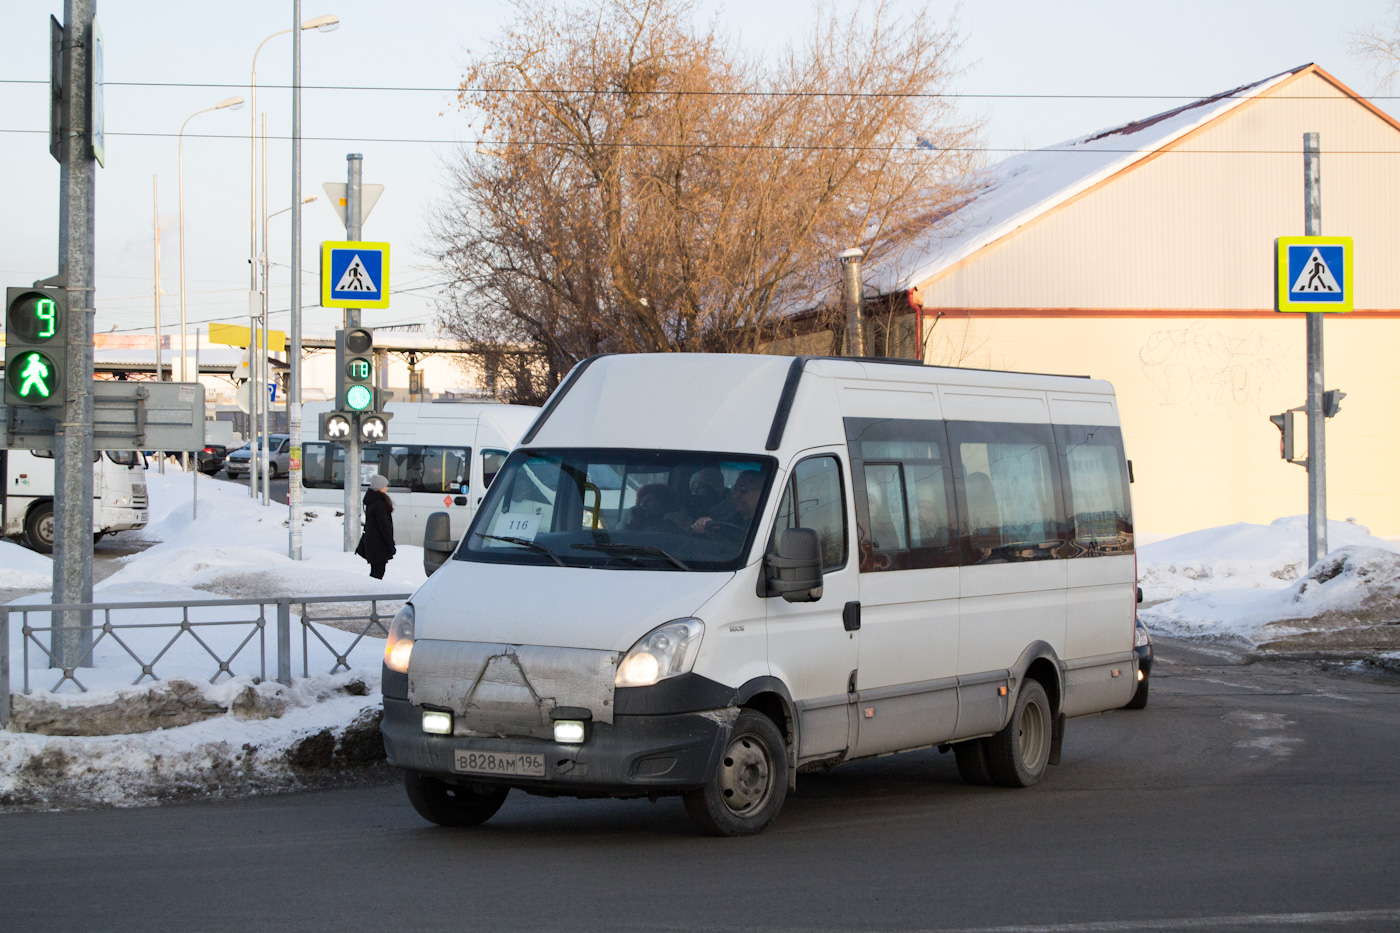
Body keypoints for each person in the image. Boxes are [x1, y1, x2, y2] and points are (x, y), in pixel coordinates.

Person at [691, 470, 764, 535]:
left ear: (761, 493)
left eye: (743, 489)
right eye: (734, 489)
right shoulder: (730, 517)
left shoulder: (767, 526)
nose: (735, 495)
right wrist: (703, 524)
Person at [356, 474, 397, 579]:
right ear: (379, 487)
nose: (386, 488)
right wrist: (390, 544)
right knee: (378, 572)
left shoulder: (372, 501)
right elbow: (384, 527)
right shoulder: (379, 504)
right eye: (385, 486)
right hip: (378, 544)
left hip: (373, 543)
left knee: (377, 571)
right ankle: (372, 592)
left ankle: (372, 590)